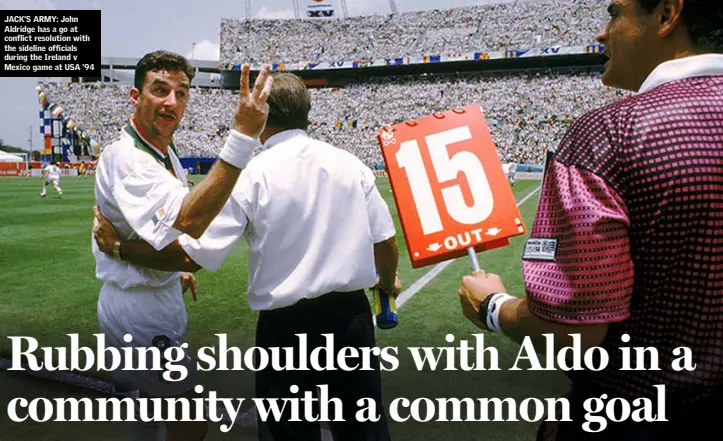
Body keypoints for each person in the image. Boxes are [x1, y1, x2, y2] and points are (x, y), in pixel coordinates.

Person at [457, 0, 723, 438]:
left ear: (666, 15)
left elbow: (574, 332)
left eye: (615, 13)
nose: (603, 33)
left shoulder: (610, 134)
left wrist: (493, 308)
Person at [93, 72, 401, 441]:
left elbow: (191, 255)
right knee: (364, 430)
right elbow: (385, 241)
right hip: (351, 319)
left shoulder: (252, 174)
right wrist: (385, 282)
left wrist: (117, 248)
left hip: (285, 327)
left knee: (287, 434)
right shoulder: (350, 163)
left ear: (263, 116)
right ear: (307, 114)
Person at [91, 50, 273, 441]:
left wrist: (173, 267)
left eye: (182, 92)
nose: (172, 102)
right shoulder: (128, 158)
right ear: (136, 98)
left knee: (148, 408)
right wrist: (242, 138)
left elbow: (172, 236)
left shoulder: (160, 151)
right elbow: (191, 226)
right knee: (190, 419)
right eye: (160, 90)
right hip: (138, 307)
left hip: (153, 293)